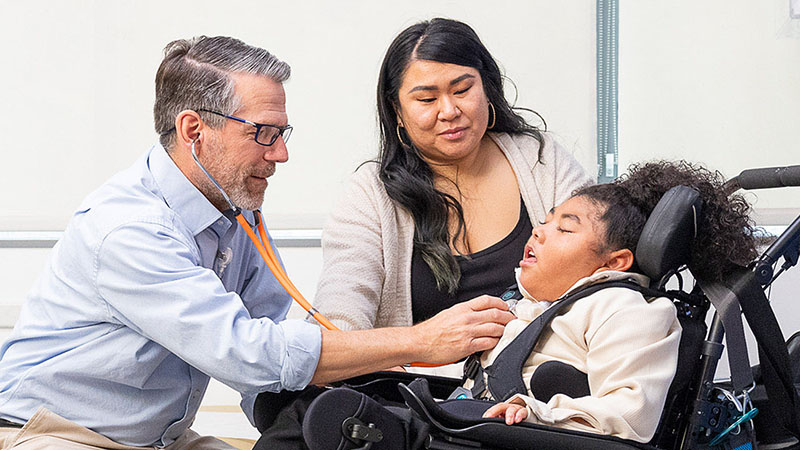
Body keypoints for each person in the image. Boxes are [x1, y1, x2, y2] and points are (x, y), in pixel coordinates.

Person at [0, 36, 514, 450]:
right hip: (50, 434)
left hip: (158, 440)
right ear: (194, 129)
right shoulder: (128, 230)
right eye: (264, 133)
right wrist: (421, 341)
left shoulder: (235, 211)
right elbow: (248, 353)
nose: (282, 154)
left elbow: (269, 339)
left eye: (284, 132)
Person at [303, 160, 757, 447]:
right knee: (307, 407)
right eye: (543, 221)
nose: (539, 232)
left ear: (613, 261)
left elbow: (629, 416)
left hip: (509, 432)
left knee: (335, 424)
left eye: (565, 228)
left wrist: (540, 410)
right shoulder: (533, 307)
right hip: (468, 420)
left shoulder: (627, 310)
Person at [314, 18, 592, 337]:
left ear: (487, 89)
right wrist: (414, 344)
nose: (449, 111)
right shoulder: (370, 195)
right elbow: (337, 326)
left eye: (462, 90)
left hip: (541, 377)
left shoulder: (540, 160)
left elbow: (601, 264)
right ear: (397, 111)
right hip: (421, 382)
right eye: (427, 100)